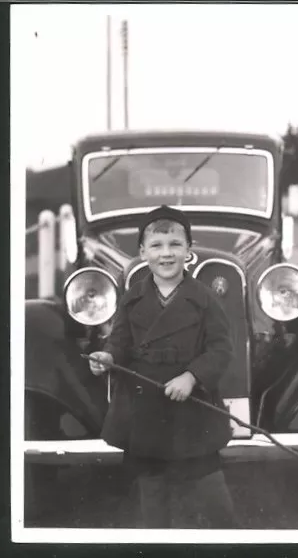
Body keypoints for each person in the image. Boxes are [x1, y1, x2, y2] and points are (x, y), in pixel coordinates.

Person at [89, 205, 237, 529]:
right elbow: (119, 342)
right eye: (156, 246)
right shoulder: (132, 299)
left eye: (175, 245)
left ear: (189, 251)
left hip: (193, 410)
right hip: (147, 412)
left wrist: (192, 376)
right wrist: (108, 358)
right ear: (143, 252)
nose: (166, 254)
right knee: (152, 493)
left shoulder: (205, 298)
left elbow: (222, 348)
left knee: (212, 493)